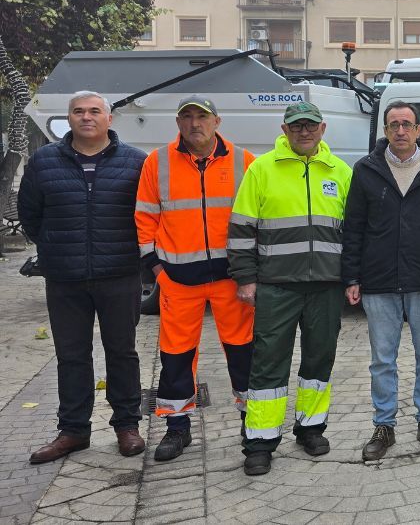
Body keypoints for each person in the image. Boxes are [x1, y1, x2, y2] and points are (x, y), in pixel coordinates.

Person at [18, 91, 147, 463]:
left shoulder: (136, 162)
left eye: (94, 111)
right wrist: (55, 247)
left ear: (109, 119)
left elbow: (146, 214)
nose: (86, 117)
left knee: (122, 352)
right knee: (71, 355)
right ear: (69, 118)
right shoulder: (44, 161)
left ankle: (127, 426)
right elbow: (30, 214)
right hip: (65, 278)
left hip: (120, 274)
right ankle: (73, 431)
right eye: (78, 111)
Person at [227, 102, 353, 476]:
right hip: (276, 286)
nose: (304, 131)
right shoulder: (261, 169)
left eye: (310, 125)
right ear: (284, 130)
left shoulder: (340, 172)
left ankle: (311, 429)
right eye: (296, 126)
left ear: (323, 128)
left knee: (319, 361)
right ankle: (260, 442)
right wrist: (245, 278)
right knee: (268, 364)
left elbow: (354, 233)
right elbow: (241, 229)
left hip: (326, 287)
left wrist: (352, 278)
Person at [134, 95, 255, 461]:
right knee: (176, 355)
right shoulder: (157, 162)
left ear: (217, 121)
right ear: (178, 123)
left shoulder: (244, 161)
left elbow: (257, 219)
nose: (194, 123)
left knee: (243, 351)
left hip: (231, 279)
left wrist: (251, 272)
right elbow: (145, 218)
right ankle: (177, 427)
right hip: (178, 280)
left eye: (201, 116)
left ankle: (253, 421)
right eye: (186, 117)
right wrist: (157, 269)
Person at [342, 100, 420, 461]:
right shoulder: (366, 170)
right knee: (382, 361)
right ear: (385, 130)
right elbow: (353, 227)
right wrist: (352, 276)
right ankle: (384, 426)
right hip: (379, 279)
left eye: (407, 124)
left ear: (419, 130)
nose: (401, 131)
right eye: (394, 125)